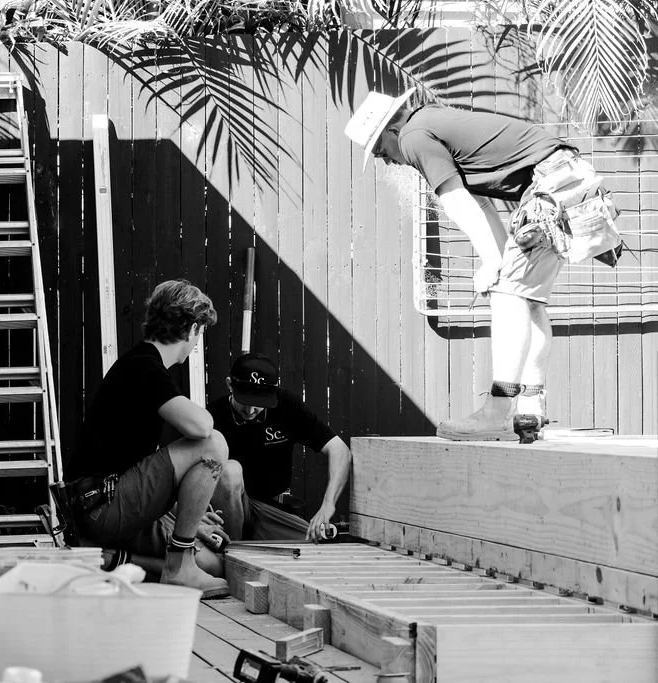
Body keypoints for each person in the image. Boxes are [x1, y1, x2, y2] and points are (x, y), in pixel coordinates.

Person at [345, 90, 620, 441]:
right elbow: (482, 206)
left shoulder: (414, 137)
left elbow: (457, 202)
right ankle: (530, 409)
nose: (386, 160)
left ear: (389, 131)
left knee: (509, 296)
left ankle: (498, 411)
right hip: (566, 178)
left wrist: (493, 264)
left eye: (381, 151)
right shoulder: (432, 125)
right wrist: (498, 260)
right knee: (527, 298)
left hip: (551, 185)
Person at [63, 279, 229, 594]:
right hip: (101, 506)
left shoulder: (141, 364)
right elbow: (202, 429)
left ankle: (113, 560)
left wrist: (187, 515)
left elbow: (135, 466)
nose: (197, 343)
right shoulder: (144, 366)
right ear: (192, 328)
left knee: (212, 564)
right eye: (200, 333)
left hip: (100, 505)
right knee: (213, 445)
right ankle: (179, 566)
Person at [207, 352, 352, 542]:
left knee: (321, 545)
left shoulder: (286, 406)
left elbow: (340, 450)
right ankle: (232, 552)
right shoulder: (212, 416)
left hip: (272, 509)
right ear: (229, 385)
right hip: (228, 510)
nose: (250, 411)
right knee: (230, 471)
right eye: (245, 401)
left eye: (258, 404)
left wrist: (328, 505)